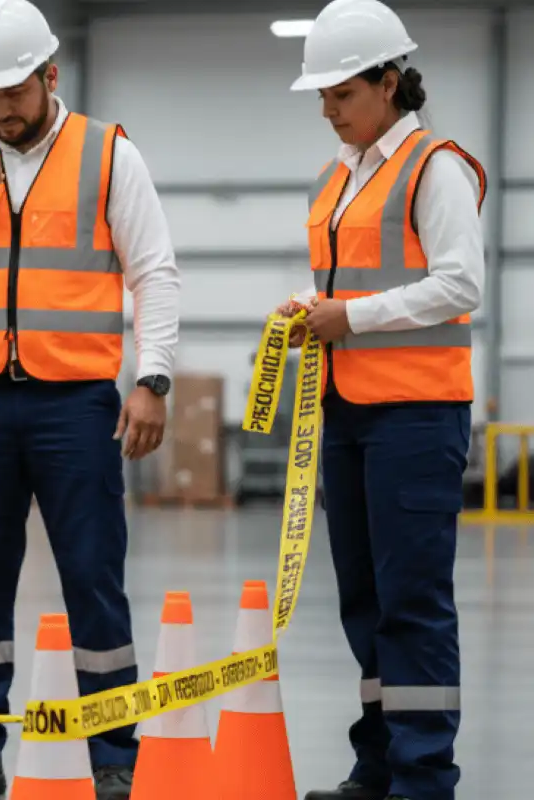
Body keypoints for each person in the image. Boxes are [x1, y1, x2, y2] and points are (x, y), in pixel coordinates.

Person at [0, 0, 181, 797]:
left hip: (75, 404)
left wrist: (151, 379)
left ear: (49, 76)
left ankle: (115, 754)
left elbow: (153, 272)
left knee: (93, 576)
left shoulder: (107, 154)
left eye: (12, 93)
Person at [279, 2, 486, 799]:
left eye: (339, 95)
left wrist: (351, 317)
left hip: (413, 417)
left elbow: (458, 283)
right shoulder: (345, 174)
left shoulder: (433, 165)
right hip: (348, 412)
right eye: (322, 98)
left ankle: (423, 777)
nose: (327, 111)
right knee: (364, 605)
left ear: (388, 82)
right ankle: (378, 764)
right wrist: (309, 306)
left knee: (412, 604)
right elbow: (351, 280)